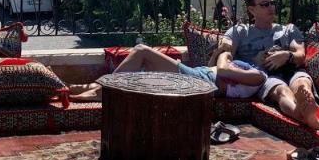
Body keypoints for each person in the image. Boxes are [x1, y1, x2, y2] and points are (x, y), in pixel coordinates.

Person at [216, 0, 319, 128]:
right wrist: (252, 59)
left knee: (302, 81)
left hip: (291, 68)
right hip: (265, 76)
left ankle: (305, 99)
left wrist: (286, 55)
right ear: (252, 10)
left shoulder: (289, 30)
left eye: (272, 3)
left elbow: (300, 55)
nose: (271, 7)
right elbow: (226, 51)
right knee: (281, 91)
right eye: (265, 4)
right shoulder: (240, 31)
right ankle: (303, 115)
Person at [67, 44, 265, 103]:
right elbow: (213, 66)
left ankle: (102, 90)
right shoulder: (245, 65)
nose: (267, 51)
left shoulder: (258, 76)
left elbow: (221, 69)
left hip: (198, 82)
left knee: (141, 51)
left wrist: (226, 55)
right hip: (198, 73)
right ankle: (98, 86)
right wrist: (219, 54)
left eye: (269, 53)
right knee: (140, 67)